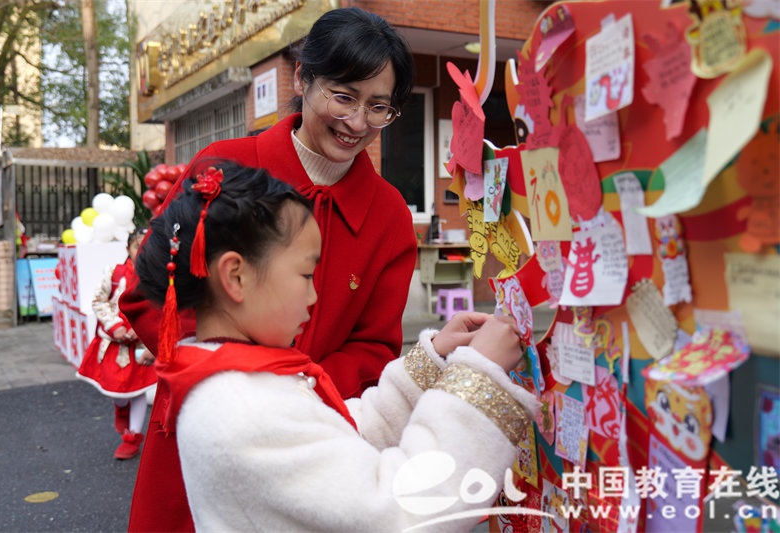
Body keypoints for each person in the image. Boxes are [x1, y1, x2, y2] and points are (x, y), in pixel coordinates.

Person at [122, 8, 418, 530]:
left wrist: (294, 394)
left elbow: (375, 347)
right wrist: (230, 377)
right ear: (302, 77)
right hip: (206, 438)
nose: (357, 123)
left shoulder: (390, 214)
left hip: (314, 440)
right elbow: (149, 293)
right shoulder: (224, 166)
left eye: (378, 108)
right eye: (344, 97)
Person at [134, 161, 539, 532]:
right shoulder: (243, 408)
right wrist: (476, 380)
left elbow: (332, 436)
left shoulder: (234, 381)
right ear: (236, 276)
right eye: (306, 274)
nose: (312, 296)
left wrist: (430, 368)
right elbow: (401, 512)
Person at [75, 228, 156, 460]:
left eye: (146, 247)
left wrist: (139, 329)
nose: (141, 252)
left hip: (141, 344)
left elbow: (157, 307)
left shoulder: (156, 275)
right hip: (114, 343)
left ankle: (132, 437)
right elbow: (99, 301)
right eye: (136, 247)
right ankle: (121, 407)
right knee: (118, 390)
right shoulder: (114, 273)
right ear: (127, 249)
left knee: (139, 390)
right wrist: (115, 327)